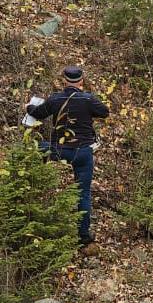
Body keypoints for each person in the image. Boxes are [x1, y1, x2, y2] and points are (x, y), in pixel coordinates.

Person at [26, 66, 109, 245]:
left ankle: (32, 187)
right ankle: (84, 235)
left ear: (64, 80)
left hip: (60, 150)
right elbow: (104, 112)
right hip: (83, 153)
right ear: (81, 81)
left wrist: (30, 106)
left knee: (37, 147)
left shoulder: (56, 99)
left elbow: (37, 113)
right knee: (84, 194)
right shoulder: (88, 99)